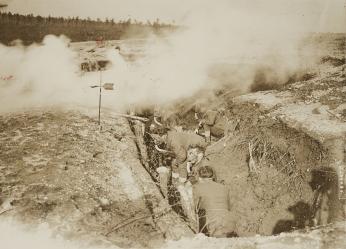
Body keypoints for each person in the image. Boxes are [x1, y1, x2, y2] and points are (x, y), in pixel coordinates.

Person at [193, 166, 237, 237]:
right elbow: (229, 207)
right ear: (212, 176)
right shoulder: (224, 187)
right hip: (230, 224)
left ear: (199, 177)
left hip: (212, 225)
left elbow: (193, 208)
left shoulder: (196, 187)